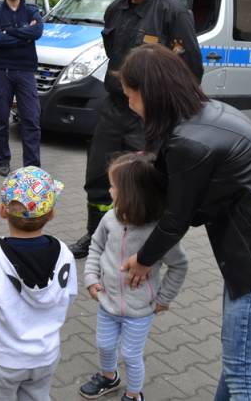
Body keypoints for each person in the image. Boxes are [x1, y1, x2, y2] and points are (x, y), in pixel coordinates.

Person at [118, 44, 251, 401]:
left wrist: (144, 260)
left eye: (130, 95)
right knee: (240, 360)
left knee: (246, 377)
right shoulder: (209, 111)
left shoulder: (188, 141)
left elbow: (176, 219)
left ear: (150, 93)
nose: (129, 105)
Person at [70, 0, 204, 259]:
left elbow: (191, 71)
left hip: (148, 116)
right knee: (98, 178)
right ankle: (96, 236)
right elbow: (113, 54)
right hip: (114, 108)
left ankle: (143, 246)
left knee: (144, 181)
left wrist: (166, 113)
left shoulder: (172, 13)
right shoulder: (115, 10)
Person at [0, 166, 77, 401]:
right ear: (52, 214)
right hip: (45, 356)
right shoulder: (65, 253)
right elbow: (69, 296)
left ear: (2, 211)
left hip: (2, 359)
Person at [80, 152, 188, 401]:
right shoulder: (109, 218)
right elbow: (96, 247)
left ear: (132, 194)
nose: (109, 190)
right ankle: (109, 377)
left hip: (139, 311)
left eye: (113, 186)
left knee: (130, 355)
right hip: (107, 303)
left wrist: (163, 298)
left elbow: (179, 265)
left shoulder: (159, 233)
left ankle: (133, 394)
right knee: (104, 345)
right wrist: (91, 278)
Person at [0, 0, 44, 177]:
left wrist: (9, 31)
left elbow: (37, 32)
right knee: (1, 118)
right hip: (2, 71)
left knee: (31, 119)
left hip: (25, 71)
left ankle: (32, 165)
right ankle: (3, 161)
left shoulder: (31, 10)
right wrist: (24, 35)